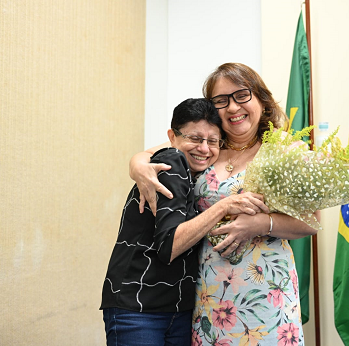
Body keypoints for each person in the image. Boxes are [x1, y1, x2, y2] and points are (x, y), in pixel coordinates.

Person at [130, 63, 317, 346]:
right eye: (221, 100)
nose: (232, 107)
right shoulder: (206, 148)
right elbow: (148, 155)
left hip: (266, 289)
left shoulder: (283, 150)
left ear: (261, 101)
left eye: (242, 95)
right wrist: (137, 165)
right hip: (208, 289)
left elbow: (311, 221)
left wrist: (259, 223)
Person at [101, 98, 269, 346]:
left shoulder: (198, 170)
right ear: (173, 136)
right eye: (195, 139)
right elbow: (169, 247)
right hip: (138, 308)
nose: (204, 148)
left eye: (213, 141)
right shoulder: (172, 163)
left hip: (176, 309)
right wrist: (224, 206)